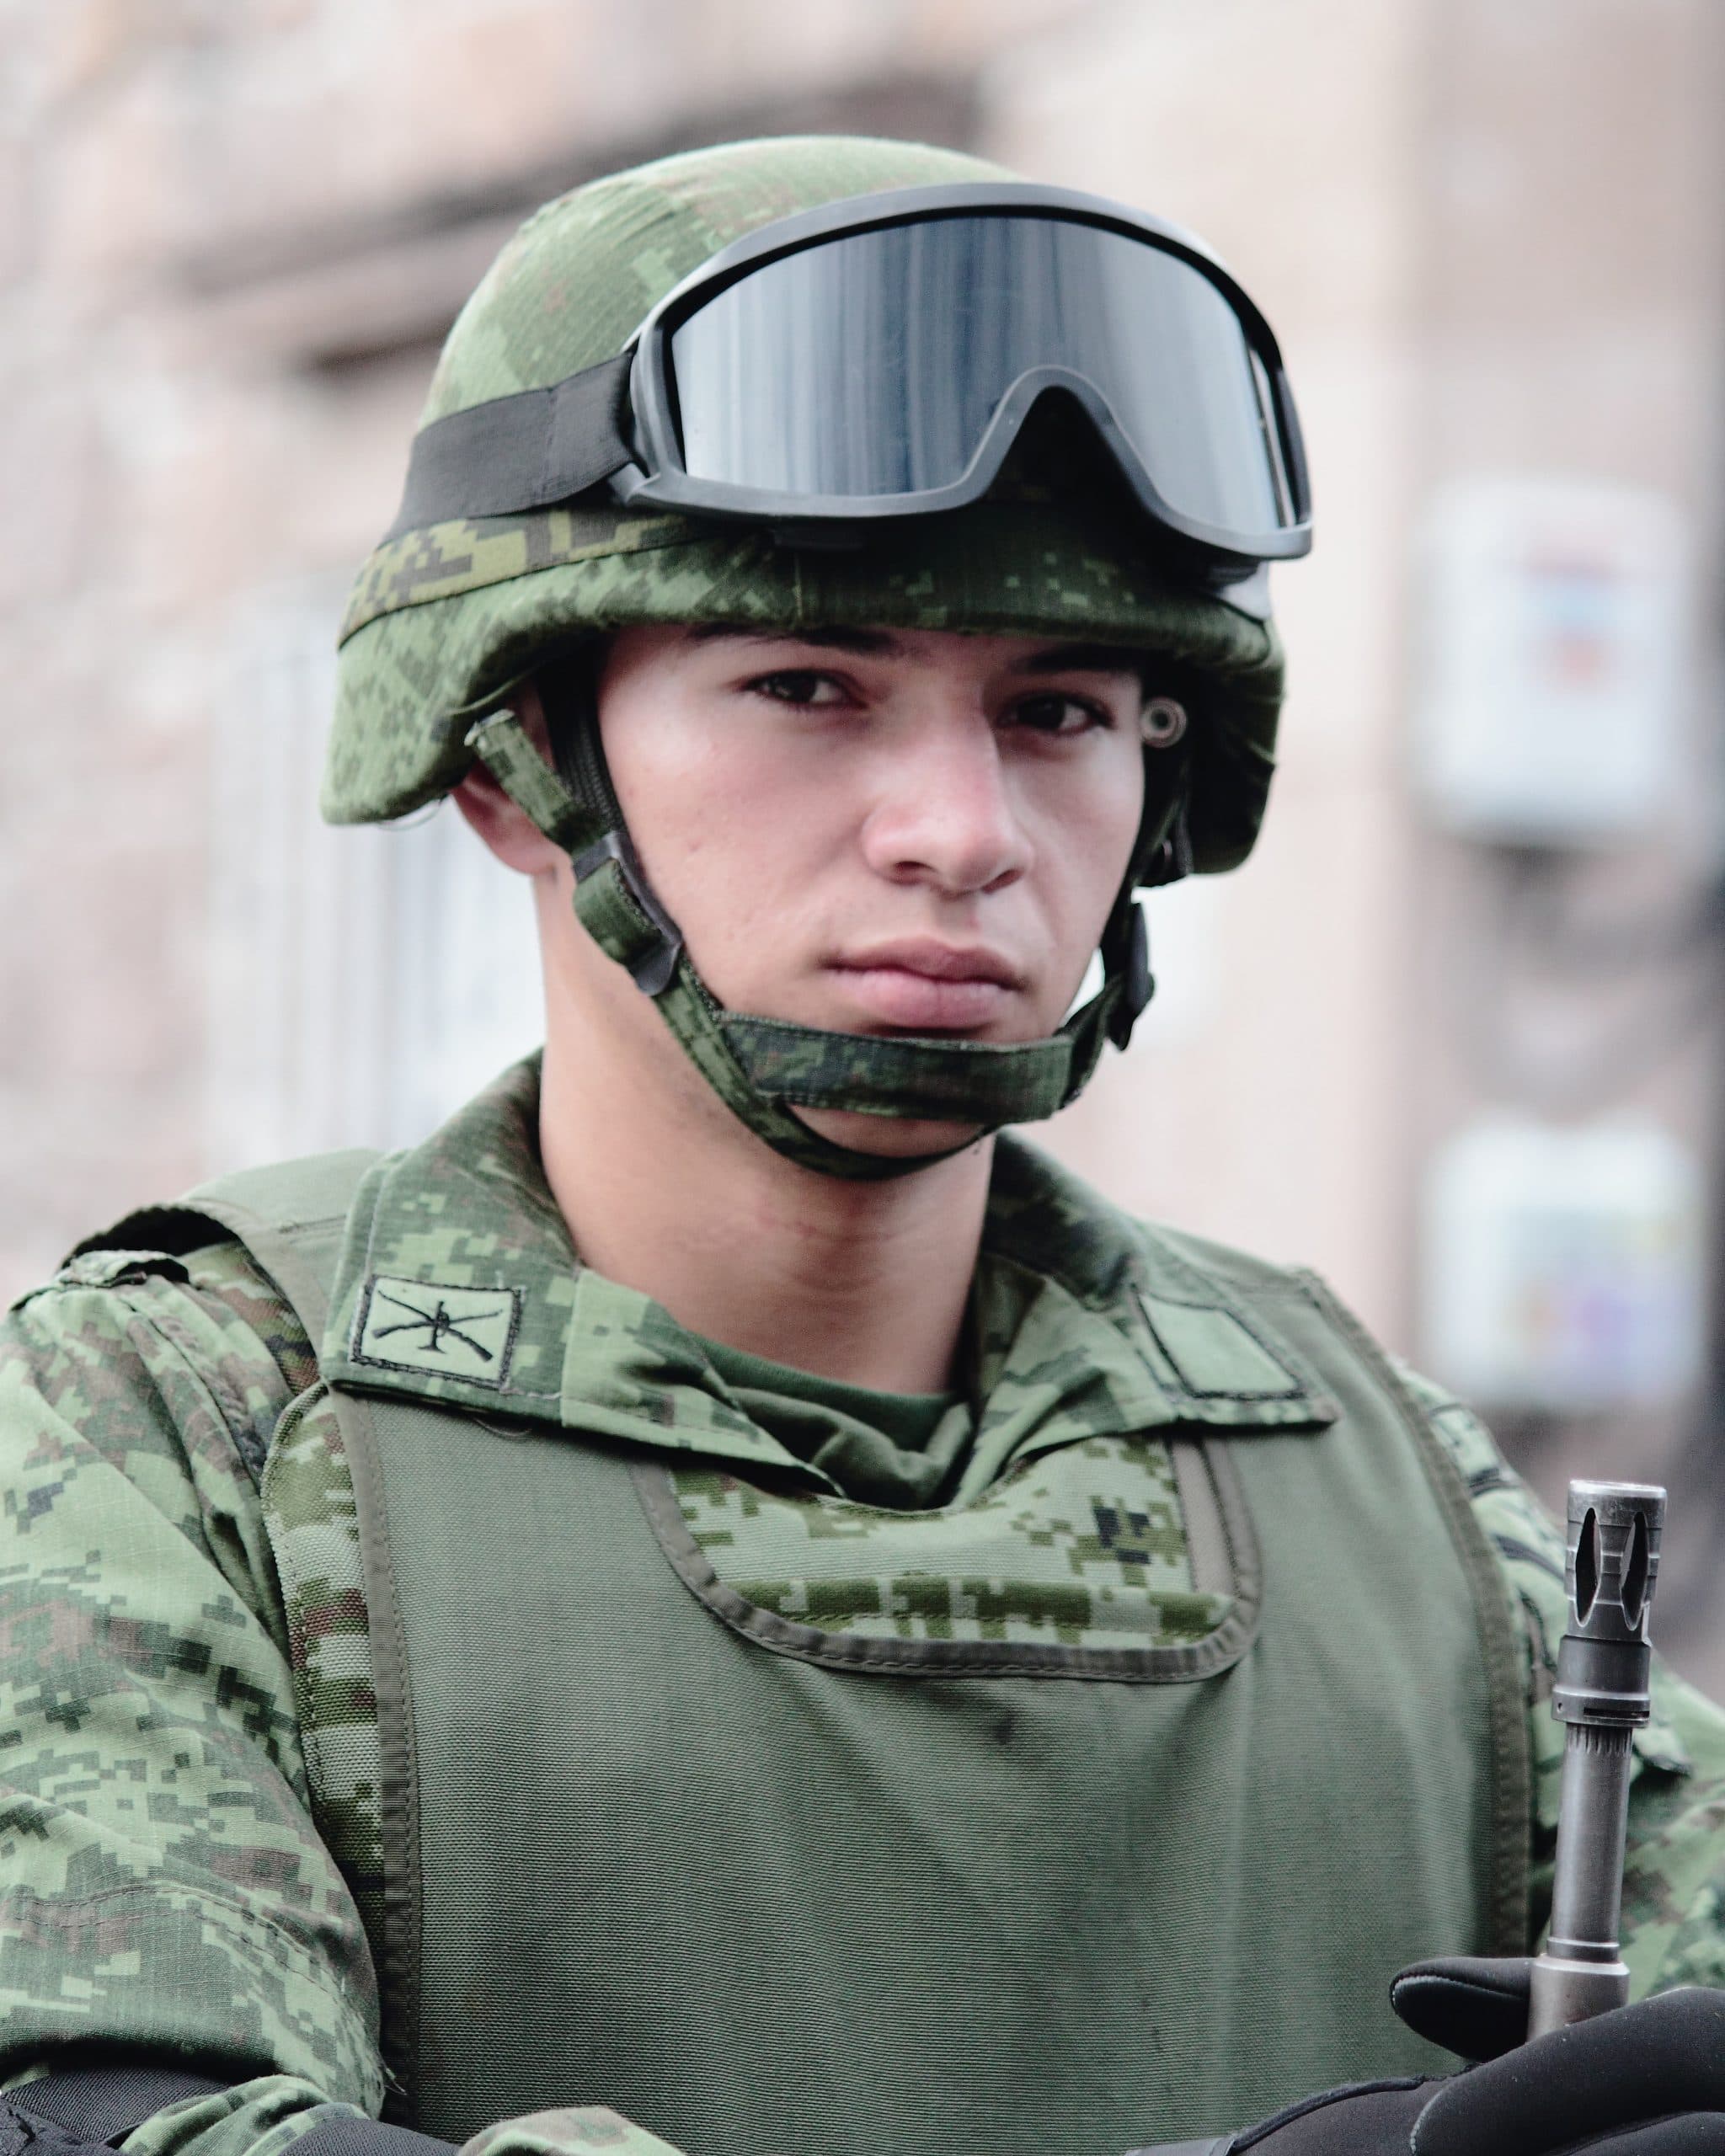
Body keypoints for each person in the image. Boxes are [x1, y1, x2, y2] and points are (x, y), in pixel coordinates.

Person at [3, 133, 1724, 2156]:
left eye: (1062, 710)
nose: (963, 828)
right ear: (511, 760)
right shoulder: (184, 1419)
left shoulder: (1376, 1475)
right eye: (807, 685)